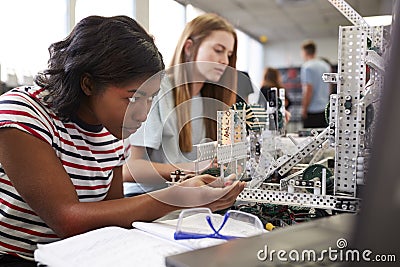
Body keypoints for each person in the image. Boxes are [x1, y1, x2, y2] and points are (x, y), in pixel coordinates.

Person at [0, 15, 245, 265]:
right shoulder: (22, 115)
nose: (143, 113)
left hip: (82, 254)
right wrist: (176, 197)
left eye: (150, 99)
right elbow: (67, 220)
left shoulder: (112, 125)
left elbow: (112, 212)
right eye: (132, 98)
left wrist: (188, 193)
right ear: (88, 84)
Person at [123, 13, 239, 196]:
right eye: (218, 50)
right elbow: (130, 169)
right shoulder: (158, 91)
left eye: (229, 54)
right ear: (189, 47)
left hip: (186, 197)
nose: (225, 60)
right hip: (145, 199)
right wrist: (191, 169)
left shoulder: (209, 100)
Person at [300, 40, 331, 128]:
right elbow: (329, 87)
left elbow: (308, 90)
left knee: (310, 139)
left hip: (312, 111)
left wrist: (304, 109)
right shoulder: (326, 66)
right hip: (325, 109)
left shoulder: (307, 67)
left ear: (304, 52)